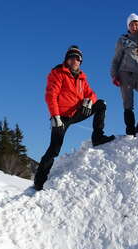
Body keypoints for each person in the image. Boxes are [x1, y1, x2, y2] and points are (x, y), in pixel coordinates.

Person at [34, 45, 115, 191]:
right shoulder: (58, 73)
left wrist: (89, 101)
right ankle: (39, 182)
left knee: (101, 104)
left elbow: (91, 93)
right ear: (67, 59)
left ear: (80, 61)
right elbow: (50, 95)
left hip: (78, 112)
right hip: (61, 117)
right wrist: (55, 116)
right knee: (54, 149)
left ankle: (97, 137)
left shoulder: (82, 78)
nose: (75, 60)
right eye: (72, 57)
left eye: (78, 58)